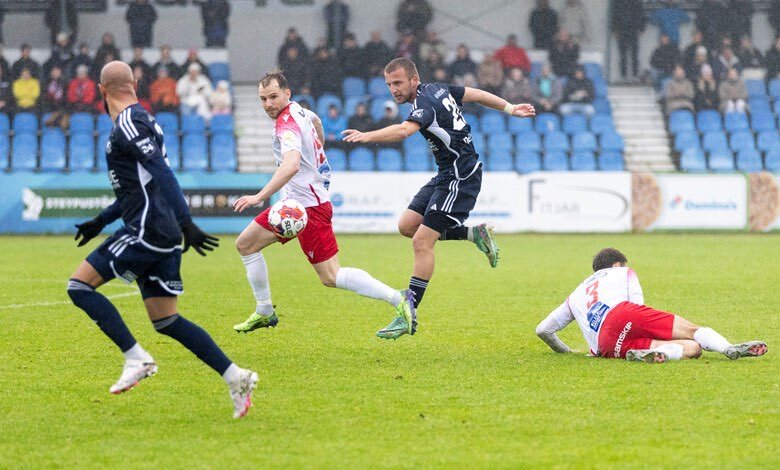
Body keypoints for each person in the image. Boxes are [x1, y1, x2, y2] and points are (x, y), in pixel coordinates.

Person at [67, 61, 257, 418]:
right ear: (135, 85)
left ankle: (136, 357)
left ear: (101, 90)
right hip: (162, 232)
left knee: (79, 287)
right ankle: (236, 376)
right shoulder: (143, 119)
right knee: (166, 320)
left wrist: (188, 222)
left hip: (148, 231)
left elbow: (161, 172)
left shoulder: (127, 123)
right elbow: (138, 186)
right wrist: (100, 221)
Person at [342, 58, 535, 338]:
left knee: (422, 241)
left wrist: (366, 136)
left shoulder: (424, 105)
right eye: (389, 84)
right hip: (446, 173)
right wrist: (509, 108)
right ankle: (473, 234)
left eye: (398, 83)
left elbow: (402, 131)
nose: (393, 89)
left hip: (462, 177)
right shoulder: (438, 89)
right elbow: (476, 94)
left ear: (414, 81)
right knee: (407, 226)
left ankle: (409, 310)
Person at [230, 71, 415, 339]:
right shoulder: (300, 111)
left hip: (308, 208)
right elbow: (316, 121)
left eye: (273, 97)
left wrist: (259, 197)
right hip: (295, 204)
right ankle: (264, 310)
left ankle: (398, 298)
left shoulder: (286, 124)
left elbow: (292, 165)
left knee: (331, 275)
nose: (268, 103)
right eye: (263, 99)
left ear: (287, 93)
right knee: (245, 244)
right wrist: (319, 144)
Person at [536, 248, 768, 363]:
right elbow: (638, 305)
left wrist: (567, 352)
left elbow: (543, 330)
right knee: (693, 332)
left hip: (606, 347)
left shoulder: (576, 293)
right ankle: (728, 348)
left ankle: (656, 354)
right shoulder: (623, 272)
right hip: (624, 315)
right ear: (617, 264)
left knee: (693, 349)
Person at [611, 0, 645, 82]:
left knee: (634, 55)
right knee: (622, 55)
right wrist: (614, 29)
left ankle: (635, 76)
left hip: (633, 31)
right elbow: (613, 15)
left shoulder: (637, 2)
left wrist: (641, 29)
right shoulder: (617, 2)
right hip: (621, 31)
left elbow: (642, 15)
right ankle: (623, 76)